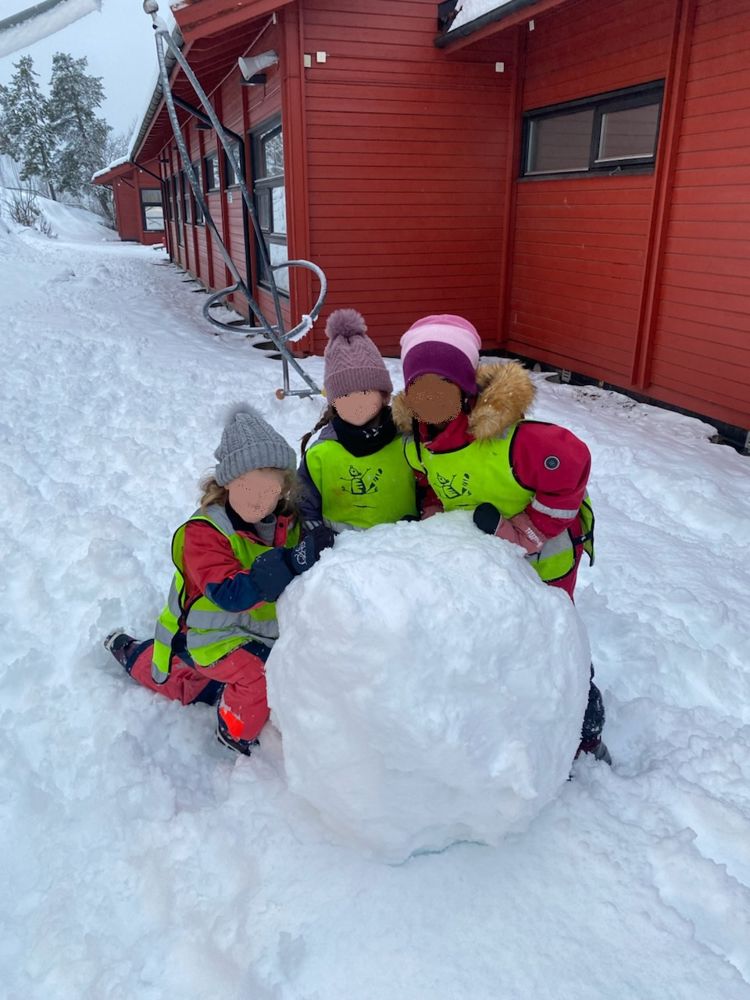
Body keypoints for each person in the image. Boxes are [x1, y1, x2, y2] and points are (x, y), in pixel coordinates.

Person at [392, 314, 609, 764]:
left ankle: (584, 726)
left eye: (443, 384)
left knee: (552, 640)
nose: (431, 396)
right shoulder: (417, 443)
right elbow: (431, 481)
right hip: (483, 564)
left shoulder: (515, 440)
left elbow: (572, 466)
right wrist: (436, 515)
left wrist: (527, 531)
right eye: (420, 386)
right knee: (501, 645)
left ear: (465, 389)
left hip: (547, 562)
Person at [104, 405, 333, 756]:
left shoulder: (284, 521)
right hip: (209, 638)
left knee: (199, 686)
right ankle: (233, 732)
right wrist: (289, 561)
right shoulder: (204, 533)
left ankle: (194, 679)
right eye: (247, 486)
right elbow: (229, 593)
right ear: (226, 484)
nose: (259, 499)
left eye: (269, 488)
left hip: (255, 632)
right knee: (255, 676)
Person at [298, 308, 417, 531]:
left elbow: (428, 490)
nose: (355, 403)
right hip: (343, 555)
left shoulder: (407, 441)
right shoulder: (320, 454)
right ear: (333, 402)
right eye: (344, 395)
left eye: (364, 392)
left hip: (404, 547)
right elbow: (305, 505)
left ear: (384, 395)